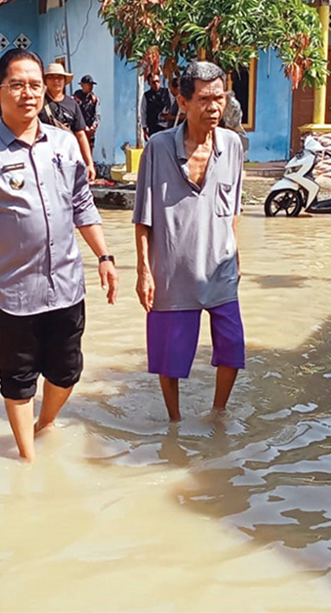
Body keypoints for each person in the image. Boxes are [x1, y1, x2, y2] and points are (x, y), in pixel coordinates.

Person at [0, 48, 118, 462]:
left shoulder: (64, 144)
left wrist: (105, 256)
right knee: (18, 379)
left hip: (66, 284)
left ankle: (45, 423)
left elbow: (81, 204)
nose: (28, 93)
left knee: (67, 371)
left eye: (35, 85)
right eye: (17, 85)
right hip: (9, 292)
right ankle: (27, 460)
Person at [133, 61, 245, 422]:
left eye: (220, 98)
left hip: (220, 267)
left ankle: (217, 413)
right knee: (170, 356)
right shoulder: (158, 147)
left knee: (231, 348)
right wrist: (144, 271)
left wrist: (237, 255)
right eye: (204, 99)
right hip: (173, 268)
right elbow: (143, 215)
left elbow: (234, 208)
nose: (214, 107)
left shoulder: (233, 146)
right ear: (183, 102)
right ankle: (175, 422)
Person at [40, 62, 95, 181]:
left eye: (60, 77)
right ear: (45, 81)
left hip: (67, 160)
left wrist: (89, 163)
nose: (56, 81)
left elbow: (80, 134)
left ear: (65, 81)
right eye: (51, 77)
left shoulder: (72, 104)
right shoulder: (38, 103)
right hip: (43, 160)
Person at [72, 74, 102, 160]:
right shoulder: (75, 99)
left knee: (89, 153)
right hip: (78, 131)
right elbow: (75, 115)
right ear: (82, 85)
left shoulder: (94, 99)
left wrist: (94, 126)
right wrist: (83, 127)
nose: (90, 87)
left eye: (91, 85)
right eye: (88, 84)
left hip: (90, 131)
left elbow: (97, 114)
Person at [142, 72, 173, 139]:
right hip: (153, 127)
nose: (156, 84)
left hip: (166, 126)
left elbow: (173, 105)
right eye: (153, 82)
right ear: (149, 83)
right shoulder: (146, 96)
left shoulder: (167, 92)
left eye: (157, 81)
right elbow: (143, 112)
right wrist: (144, 130)